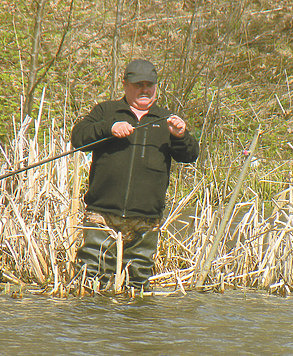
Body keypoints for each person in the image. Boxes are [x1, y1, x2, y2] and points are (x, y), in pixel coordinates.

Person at [71, 59, 199, 291]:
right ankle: (88, 325)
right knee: (90, 280)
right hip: (102, 214)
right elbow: (79, 138)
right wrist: (108, 128)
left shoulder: (166, 120)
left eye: (149, 84)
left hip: (145, 220)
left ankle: (136, 327)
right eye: (138, 84)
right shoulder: (106, 111)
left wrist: (181, 136)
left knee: (137, 286)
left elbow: (190, 156)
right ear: (125, 84)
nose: (144, 89)